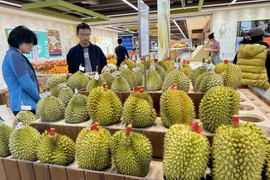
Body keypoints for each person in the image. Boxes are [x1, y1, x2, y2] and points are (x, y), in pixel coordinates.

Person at [2, 25, 40, 116]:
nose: (31, 46)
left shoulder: (13, 55)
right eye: (29, 43)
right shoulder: (15, 56)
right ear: (19, 41)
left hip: (22, 103)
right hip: (25, 104)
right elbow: (26, 83)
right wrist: (40, 99)